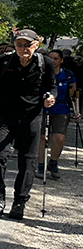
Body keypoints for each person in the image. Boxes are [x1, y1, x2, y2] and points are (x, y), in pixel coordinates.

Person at [0, 29, 56, 220]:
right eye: (19, 44)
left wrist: (50, 97)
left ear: (36, 45)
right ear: (14, 45)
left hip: (31, 117)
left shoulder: (44, 63)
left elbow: (51, 86)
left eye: (27, 45)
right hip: (5, 116)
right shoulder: (3, 62)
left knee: (28, 160)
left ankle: (20, 201)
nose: (23, 48)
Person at [36, 50, 78, 180]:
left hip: (61, 108)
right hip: (42, 108)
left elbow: (74, 94)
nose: (53, 61)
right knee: (42, 138)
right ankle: (41, 165)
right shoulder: (41, 73)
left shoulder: (68, 75)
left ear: (61, 60)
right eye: (51, 58)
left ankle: (53, 162)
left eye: (56, 58)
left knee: (59, 138)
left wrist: (77, 111)